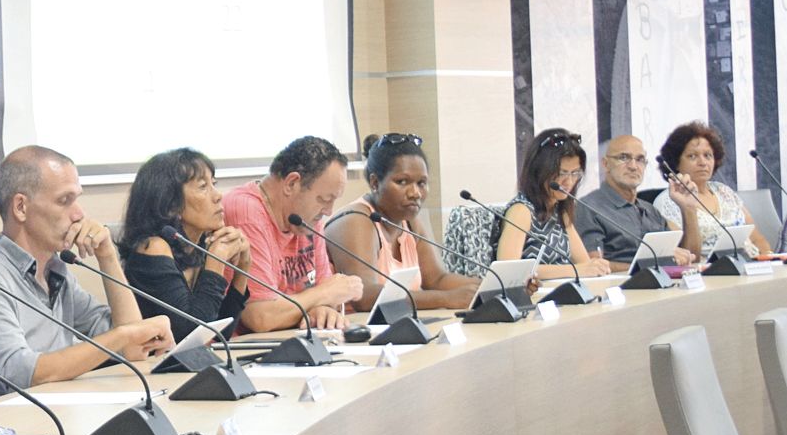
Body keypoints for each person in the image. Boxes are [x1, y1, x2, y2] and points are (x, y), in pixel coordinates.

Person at [0, 144, 172, 404]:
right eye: (65, 200)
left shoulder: (57, 272)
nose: (79, 214)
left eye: (77, 199)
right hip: (9, 429)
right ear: (21, 207)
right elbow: (22, 374)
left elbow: (133, 345)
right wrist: (122, 336)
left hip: (60, 414)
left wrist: (107, 255)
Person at [221, 135, 364, 332]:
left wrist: (321, 309)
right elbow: (260, 317)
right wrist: (323, 295)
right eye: (323, 199)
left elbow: (326, 295)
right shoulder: (246, 211)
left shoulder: (307, 219)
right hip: (247, 350)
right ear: (291, 184)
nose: (328, 211)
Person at [323, 133, 478, 311]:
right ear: (375, 183)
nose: (415, 193)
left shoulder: (409, 221)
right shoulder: (355, 220)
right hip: (356, 332)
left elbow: (436, 279)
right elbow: (365, 297)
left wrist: (489, 285)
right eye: (402, 182)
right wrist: (445, 299)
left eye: (421, 183)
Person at [118, 146, 251, 338]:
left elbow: (221, 333)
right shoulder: (153, 248)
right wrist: (216, 262)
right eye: (203, 187)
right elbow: (190, 334)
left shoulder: (200, 245)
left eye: (214, 183)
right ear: (171, 204)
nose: (218, 195)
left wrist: (243, 268)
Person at [494, 127, 613, 279]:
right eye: (562, 173)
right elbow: (508, 270)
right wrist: (577, 270)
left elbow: (584, 263)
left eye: (575, 173)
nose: (569, 181)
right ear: (540, 171)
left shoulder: (560, 211)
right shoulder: (521, 210)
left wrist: (596, 266)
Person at [656, 120, 773, 258]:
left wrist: (769, 258)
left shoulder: (724, 191)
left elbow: (757, 239)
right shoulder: (667, 202)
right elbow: (684, 255)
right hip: (712, 274)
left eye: (708, 155)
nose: (703, 162)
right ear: (675, 162)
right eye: (692, 156)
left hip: (752, 266)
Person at [578, 134, 696, 267]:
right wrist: (650, 265)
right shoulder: (588, 207)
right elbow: (592, 265)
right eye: (623, 157)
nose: (633, 166)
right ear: (605, 164)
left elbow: (690, 256)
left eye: (640, 159)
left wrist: (688, 209)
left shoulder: (650, 210)